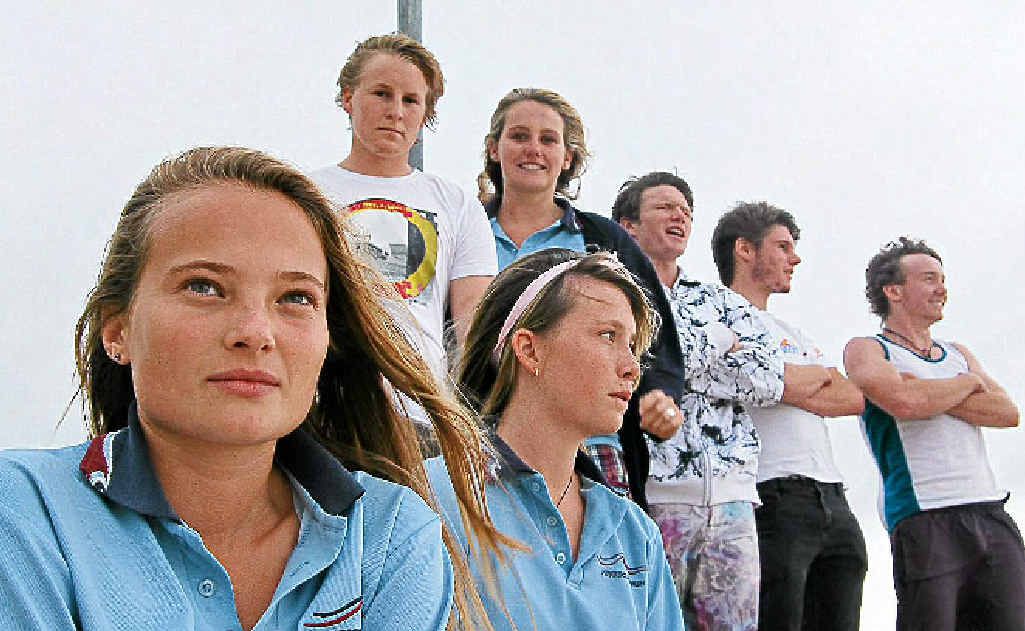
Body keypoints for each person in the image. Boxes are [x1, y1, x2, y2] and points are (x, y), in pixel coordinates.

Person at [0, 147, 507, 630]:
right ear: (118, 328)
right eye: (203, 287)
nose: (255, 331)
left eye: (295, 297)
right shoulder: (25, 511)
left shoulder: (391, 533)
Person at [428, 249, 684, 630]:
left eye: (632, 346)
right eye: (608, 335)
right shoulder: (434, 498)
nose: (632, 368)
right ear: (530, 349)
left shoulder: (636, 533)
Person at [481, 88, 685, 502]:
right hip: (487, 433)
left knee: (603, 559)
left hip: (593, 446)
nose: (533, 149)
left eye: (548, 139)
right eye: (519, 136)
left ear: (568, 158)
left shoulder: (601, 239)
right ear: (494, 149)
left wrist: (659, 396)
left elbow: (653, 329)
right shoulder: (464, 233)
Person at [612, 172, 785, 630]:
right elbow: (629, 363)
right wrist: (720, 344)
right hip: (650, 499)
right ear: (628, 226)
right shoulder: (613, 296)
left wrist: (675, 365)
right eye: (665, 207)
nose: (679, 215)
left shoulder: (720, 301)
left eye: (686, 210)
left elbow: (769, 379)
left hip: (732, 501)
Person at [844, 237, 1024, 631]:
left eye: (942, 279)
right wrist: (967, 385)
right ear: (893, 291)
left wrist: (930, 389)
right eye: (928, 279)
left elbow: (1007, 413)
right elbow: (903, 404)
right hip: (925, 515)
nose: (941, 289)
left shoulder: (957, 354)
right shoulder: (867, 349)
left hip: (990, 512)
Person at [309, 33, 497, 405]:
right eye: (382, 94)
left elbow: (474, 326)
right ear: (349, 98)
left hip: (422, 409)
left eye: (411, 101)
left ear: (426, 115)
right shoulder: (307, 193)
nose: (396, 111)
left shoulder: (456, 203)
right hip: (326, 404)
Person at [713, 202, 867, 631]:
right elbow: (791, 387)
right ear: (745, 250)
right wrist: (805, 381)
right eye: (782, 246)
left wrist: (784, 379)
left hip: (833, 497)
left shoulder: (794, 333)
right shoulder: (717, 316)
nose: (794, 258)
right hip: (771, 497)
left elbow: (852, 397)